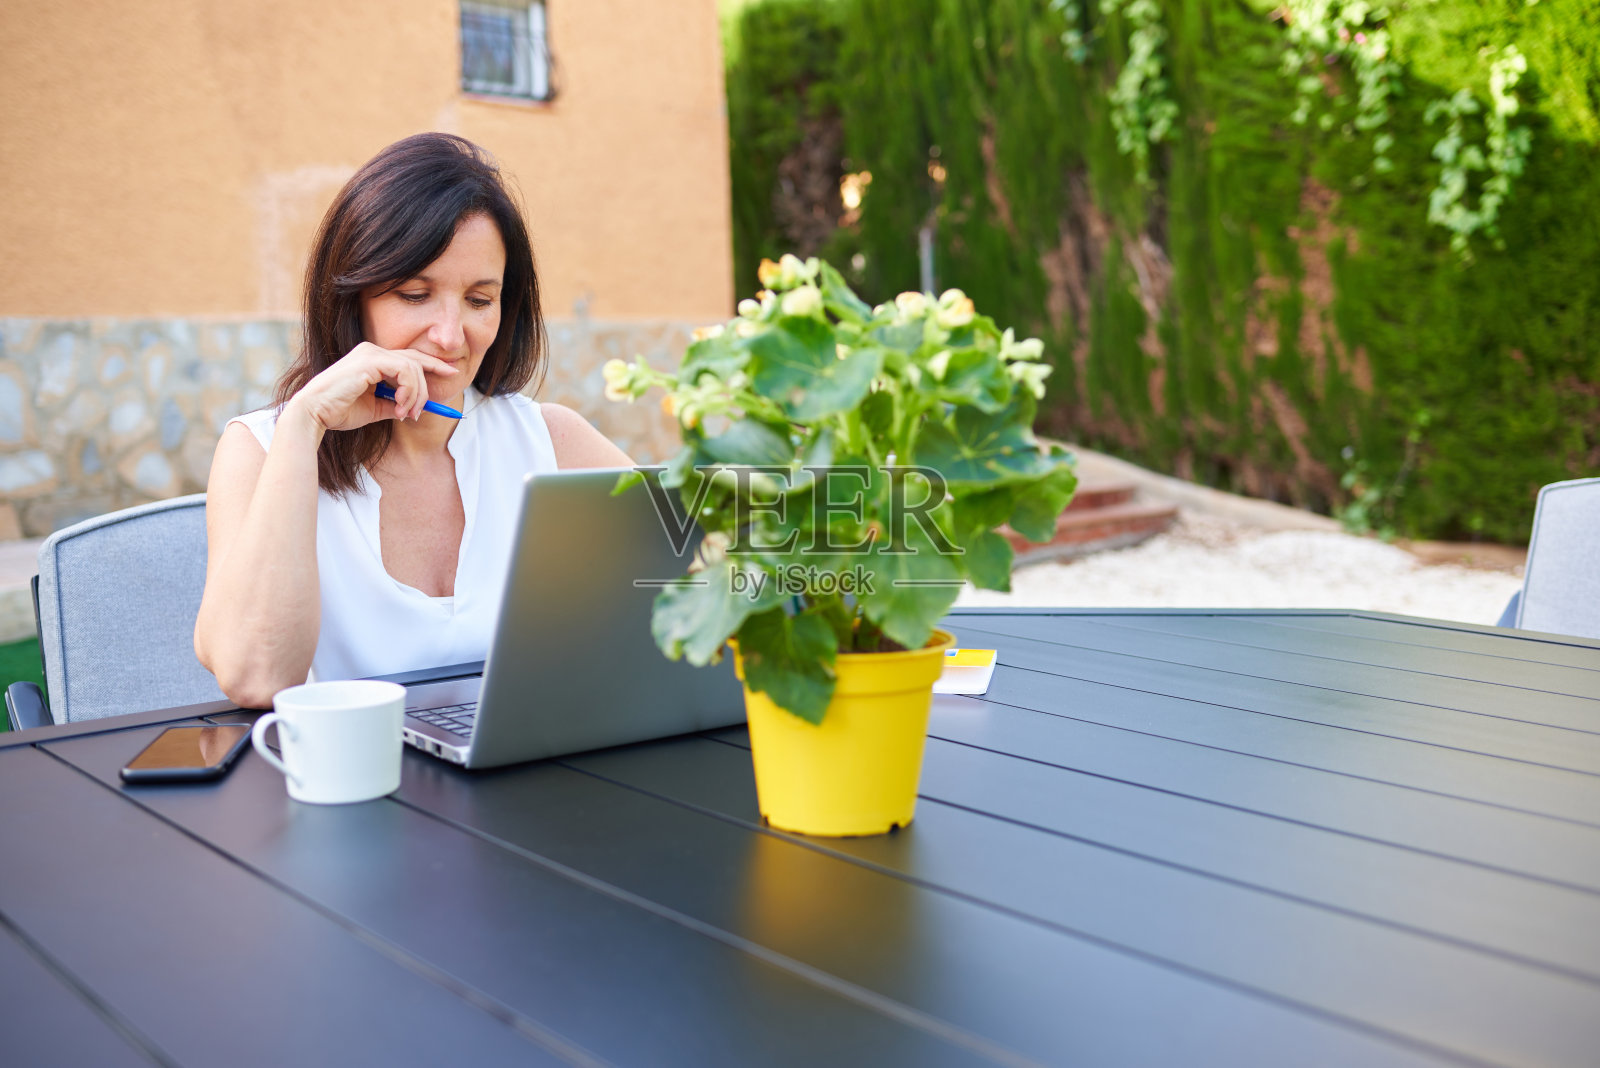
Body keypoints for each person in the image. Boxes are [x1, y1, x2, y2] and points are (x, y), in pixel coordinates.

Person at [195, 133, 632, 707]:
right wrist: (305, 426)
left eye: (480, 300)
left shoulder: (552, 442)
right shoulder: (261, 449)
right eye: (414, 294)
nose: (451, 337)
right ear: (353, 300)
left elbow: (711, 573)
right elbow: (253, 675)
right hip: (353, 785)